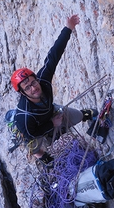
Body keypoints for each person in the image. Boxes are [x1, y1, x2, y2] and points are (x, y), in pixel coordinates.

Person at [11, 14, 97, 166]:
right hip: (34, 128)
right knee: (33, 145)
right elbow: (32, 133)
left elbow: (53, 56)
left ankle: (83, 115)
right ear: (22, 93)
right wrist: (52, 124)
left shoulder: (43, 80)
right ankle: (41, 156)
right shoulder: (24, 116)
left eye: (33, 82)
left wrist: (68, 28)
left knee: (76, 116)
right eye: (27, 87)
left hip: (49, 112)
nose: (34, 88)